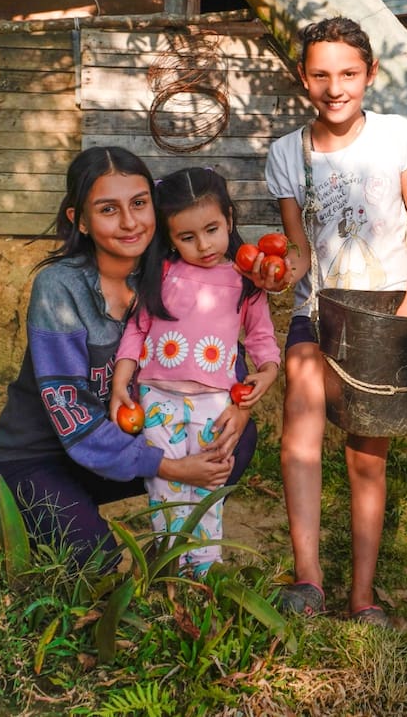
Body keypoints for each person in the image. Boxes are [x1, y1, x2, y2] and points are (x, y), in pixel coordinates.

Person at [0, 147, 256, 573]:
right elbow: (70, 410)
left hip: (122, 450)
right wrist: (171, 467)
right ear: (80, 220)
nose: (130, 222)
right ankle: (61, 516)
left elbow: (212, 349)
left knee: (233, 437)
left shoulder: (171, 271)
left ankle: (174, 554)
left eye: (139, 203)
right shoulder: (60, 289)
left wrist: (238, 407)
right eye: (108, 209)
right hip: (39, 459)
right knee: (97, 563)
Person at [264, 16, 407, 626]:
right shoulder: (288, 153)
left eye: (349, 73)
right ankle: (308, 579)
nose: (335, 87)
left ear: (370, 75)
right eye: (320, 74)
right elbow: (299, 247)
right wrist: (277, 274)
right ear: (302, 78)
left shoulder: (397, 138)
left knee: (367, 456)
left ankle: (363, 595)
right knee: (299, 438)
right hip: (318, 311)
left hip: (385, 311)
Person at [107, 167, 281, 577]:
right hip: (156, 397)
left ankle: (204, 568)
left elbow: (261, 337)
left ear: (230, 221)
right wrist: (121, 381)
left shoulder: (245, 282)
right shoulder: (161, 275)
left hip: (214, 401)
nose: (203, 245)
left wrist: (269, 371)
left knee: (209, 480)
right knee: (164, 487)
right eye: (187, 237)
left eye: (212, 229)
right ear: (169, 238)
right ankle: (168, 564)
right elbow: (137, 329)